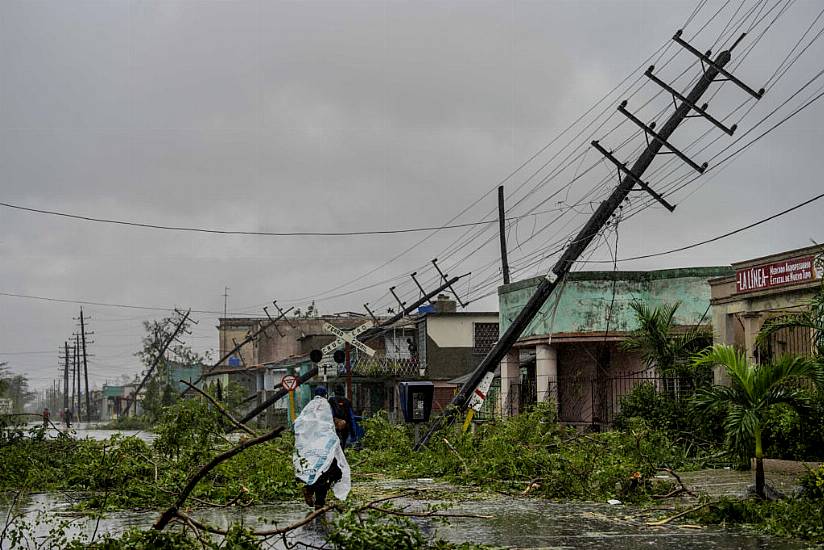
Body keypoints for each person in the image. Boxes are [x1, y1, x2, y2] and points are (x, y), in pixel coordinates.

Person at [293, 387, 351, 510]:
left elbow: (298, 425)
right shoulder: (327, 407)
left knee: (324, 472)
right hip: (326, 448)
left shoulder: (309, 408)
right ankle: (316, 498)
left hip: (313, 449)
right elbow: (336, 424)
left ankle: (314, 495)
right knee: (331, 472)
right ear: (326, 395)